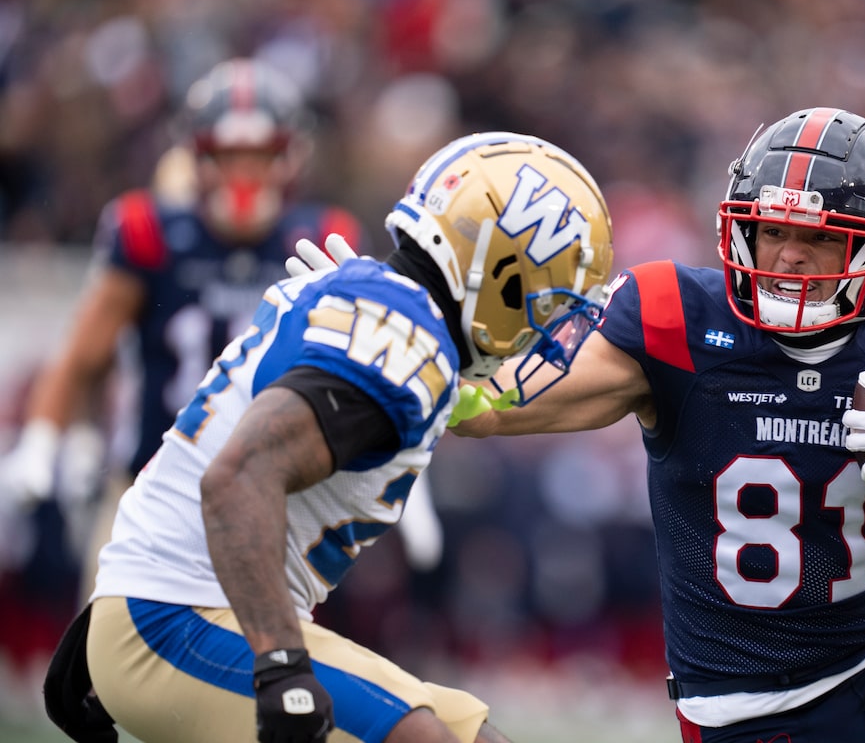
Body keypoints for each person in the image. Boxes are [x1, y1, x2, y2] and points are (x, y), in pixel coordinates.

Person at [446, 108, 865, 742]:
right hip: (746, 709)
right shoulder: (677, 322)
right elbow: (491, 407)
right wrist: (402, 340)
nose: (790, 256)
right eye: (771, 230)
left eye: (822, 238)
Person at [40, 131, 615, 743]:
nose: (550, 334)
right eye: (549, 304)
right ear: (502, 276)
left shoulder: (390, 315)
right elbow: (236, 477)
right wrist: (281, 665)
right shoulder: (401, 338)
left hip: (179, 605)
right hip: (182, 616)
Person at [0, 57, 373, 595]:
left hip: (269, 496)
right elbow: (83, 357)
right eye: (229, 156)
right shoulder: (151, 233)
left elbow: (359, 370)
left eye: (260, 155)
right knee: (101, 651)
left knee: (255, 664)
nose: (245, 175)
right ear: (198, 157)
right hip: (149, 486)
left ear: (289, 156)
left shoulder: (322, 237)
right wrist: (44, 439)